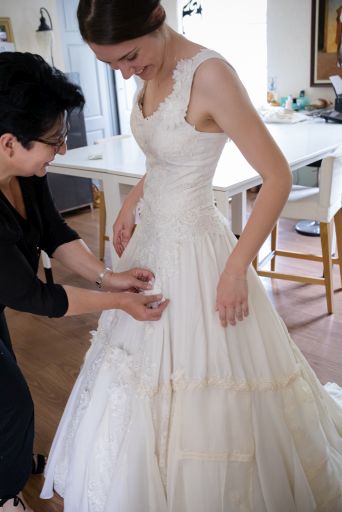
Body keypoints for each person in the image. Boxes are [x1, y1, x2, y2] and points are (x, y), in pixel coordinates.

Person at [42, 1, 342, 510]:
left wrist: (234, 269)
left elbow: (277, 178)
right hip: (151, 242)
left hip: (198, 250)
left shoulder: (211, 75)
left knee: (206, 376)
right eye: (113, 65)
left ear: (157, 19)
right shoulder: (150, 67)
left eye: (130, 57)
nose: (125, 72)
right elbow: (166, 157)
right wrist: (134, 202)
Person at [0, 51, 169, 512]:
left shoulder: (25, 171)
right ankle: (3, 492)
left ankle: (6, 459)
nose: (63, 151)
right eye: (54, 142)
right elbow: (34, 296)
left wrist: (108, 277)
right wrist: (116, 304)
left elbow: (53, 233)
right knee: (11, 400)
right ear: (9, 142)